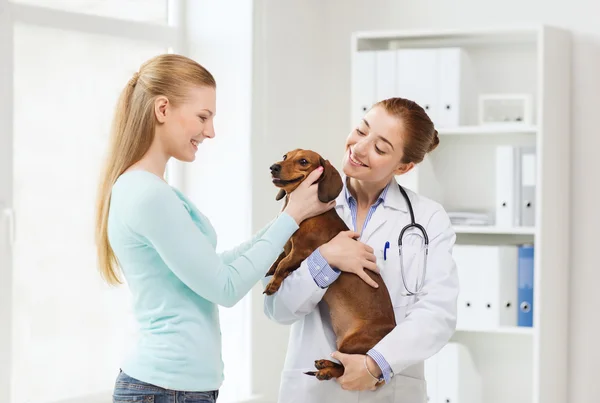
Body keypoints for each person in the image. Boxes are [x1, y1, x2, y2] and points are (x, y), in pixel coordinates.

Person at [94, 54, 335, 403]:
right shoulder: (148, 195)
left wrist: (290, 219)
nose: (210, 131)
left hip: (175, 389)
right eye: (203, 117)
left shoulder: (152, 190)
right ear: (163, 109)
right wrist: (291, 218)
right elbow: (225, 287)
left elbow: (215, 266)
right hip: (165, 390)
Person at [263, 97, 459, 403]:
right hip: (313, 392)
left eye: (380, 148)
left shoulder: (427, 218)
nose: (359, 148)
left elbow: (438, 314)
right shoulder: (301, 204)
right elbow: (276, 308)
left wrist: (375, 364)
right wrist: (325, 260)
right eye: (361, 130)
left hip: (388, 391)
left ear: (404, 166)